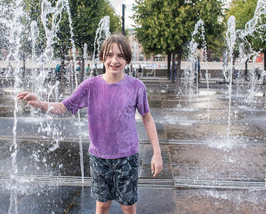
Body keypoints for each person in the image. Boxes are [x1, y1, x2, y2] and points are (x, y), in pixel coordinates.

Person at [17, 34, 163, 214]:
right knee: (102, 205)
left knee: (128, 206)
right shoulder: (90, 86)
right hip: (99, 158)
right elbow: (63, 107)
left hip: (127, 157)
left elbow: (147, 118)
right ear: (102, 57)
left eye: (120, 56)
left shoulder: (136, 87)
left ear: (127, 59)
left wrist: (157, 153)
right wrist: (40, 104)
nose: (114, 60)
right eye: (109, 55)